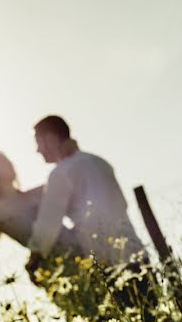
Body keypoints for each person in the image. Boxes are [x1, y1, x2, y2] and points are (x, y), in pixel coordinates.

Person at [0, 151, 79, 322]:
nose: (8, 164)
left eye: (7, 160)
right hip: (54, 273)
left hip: (83, 253)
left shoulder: (40, 192)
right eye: (1, 163)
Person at [25, 115, 144, 276]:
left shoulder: (60, 173)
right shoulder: (100, 162)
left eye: (38, 143)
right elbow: (120, 205)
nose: (37, 150)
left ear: (51, 138)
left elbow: (48, 223)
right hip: (137, 254)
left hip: (107, 262)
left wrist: (34, 259)